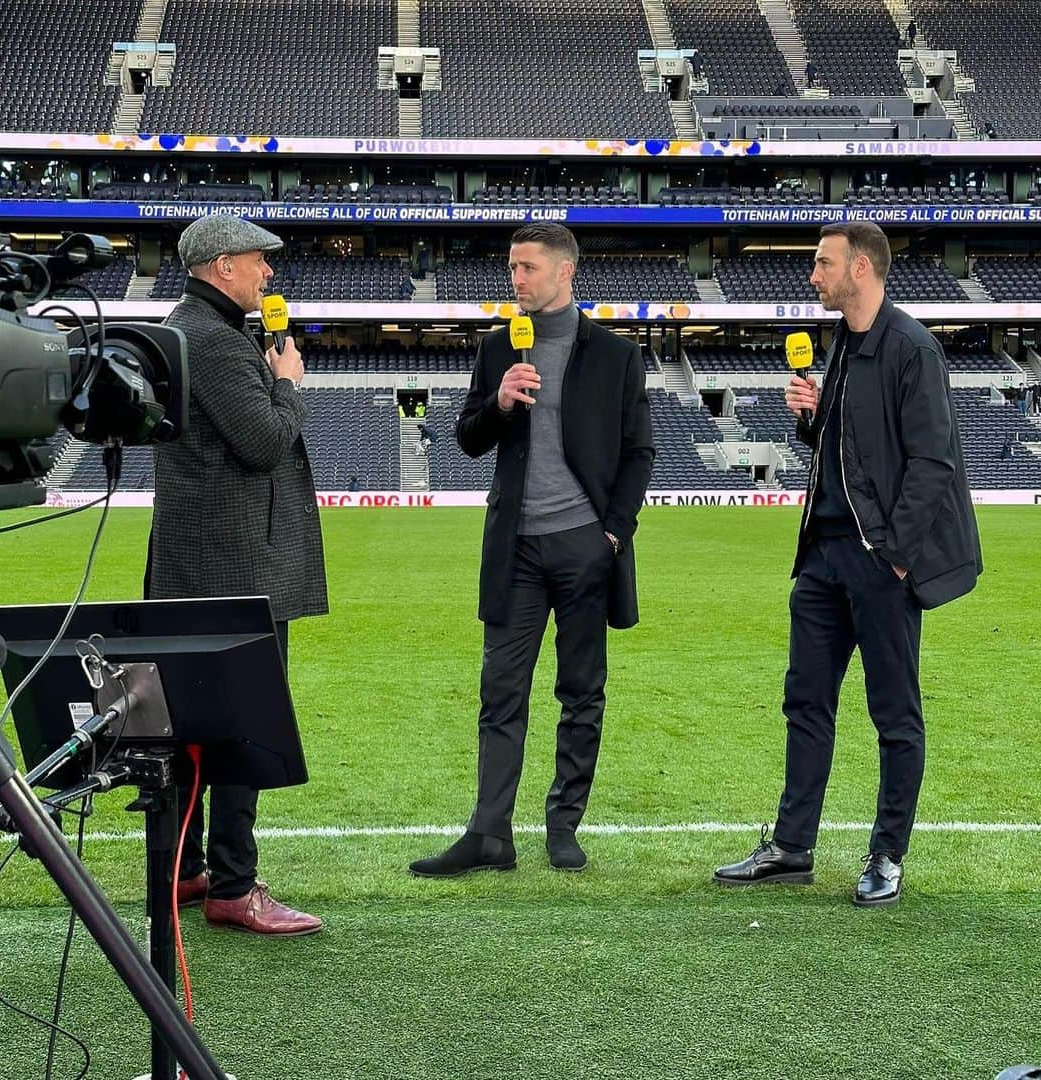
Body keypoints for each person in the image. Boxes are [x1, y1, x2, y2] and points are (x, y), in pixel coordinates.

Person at [713, 221, 982, 907]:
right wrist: (810, 421)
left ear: (860, 269)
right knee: (805, 702)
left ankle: (888, 855)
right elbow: (845, 456)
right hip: (822, 560)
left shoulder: (910, 348)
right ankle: (792, 848)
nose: (813, 276)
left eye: (822, 263)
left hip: (877, 563)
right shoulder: (841, 348)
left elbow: (932, 463)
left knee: (894, 714)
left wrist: (893, 556)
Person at [409, 223, 654, 878]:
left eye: (528, 268)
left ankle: (563, 825)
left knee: (581, 692)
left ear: (565, 272)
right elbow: (466, 439)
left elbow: (640, 453)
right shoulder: (498, 349)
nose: (516, 280)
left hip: (584, 547)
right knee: (501, 692)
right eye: (512, 268)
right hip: (514, 548)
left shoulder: (615, 355)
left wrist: (613, 533)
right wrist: (498, 401)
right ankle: (490, 834)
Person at [145, 213, 326, 935]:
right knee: (242, 725)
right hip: (235, 566)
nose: (269, 273)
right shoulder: (217, 342)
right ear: (222, 266)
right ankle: (234, 884)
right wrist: (287, 383)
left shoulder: (186, 327)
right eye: (259, 261)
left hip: (197, 565)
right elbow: (264, 442)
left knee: (189, 725)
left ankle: (183, 869)